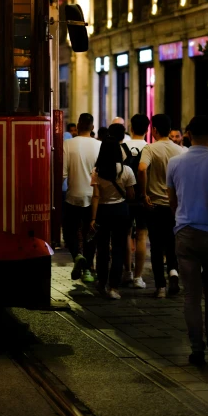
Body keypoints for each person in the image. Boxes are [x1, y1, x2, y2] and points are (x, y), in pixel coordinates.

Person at [167, 115, 208, 366]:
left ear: (188, 134)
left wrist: (181, 218)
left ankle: (197, 348)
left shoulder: (174, 162)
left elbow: (172, 200)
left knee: (191, 294)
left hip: (186, 231)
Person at [137, 113, 182, 297]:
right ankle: (173, 271)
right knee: (173, 242)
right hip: (175, 205)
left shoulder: (150, 149)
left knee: (156, 245)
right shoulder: (181, 150)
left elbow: (141, 168)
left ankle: (160, 287)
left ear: (154, 130)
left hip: (154, 204)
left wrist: (144, 193)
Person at [90, 125, 135, 300]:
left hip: (102, 211)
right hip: (120, 211)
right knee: (118, 248)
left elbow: (95, 196)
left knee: (102, 249)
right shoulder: (126, 171)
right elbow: (130, 194)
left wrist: (92, 218)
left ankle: (102, 282)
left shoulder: (97, 171)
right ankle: (114, 287)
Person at [62, 113, 101, 284]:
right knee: (90, 233)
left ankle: (77, 255)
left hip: (73, 196)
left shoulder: (68, 144)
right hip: (94, 197)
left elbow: (62, 173)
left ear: (77, 127)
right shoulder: (100, 145)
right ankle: (88, 270)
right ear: (92, 128)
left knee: (70, 230)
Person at [123, 113, 150, 288]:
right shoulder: (150, 147)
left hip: (125, 197)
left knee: (125, 234)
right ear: (148, 130)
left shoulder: (122, 146)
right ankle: (138, 277)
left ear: (131, 128)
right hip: (143, 198)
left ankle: (127, 272)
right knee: (141, 235)